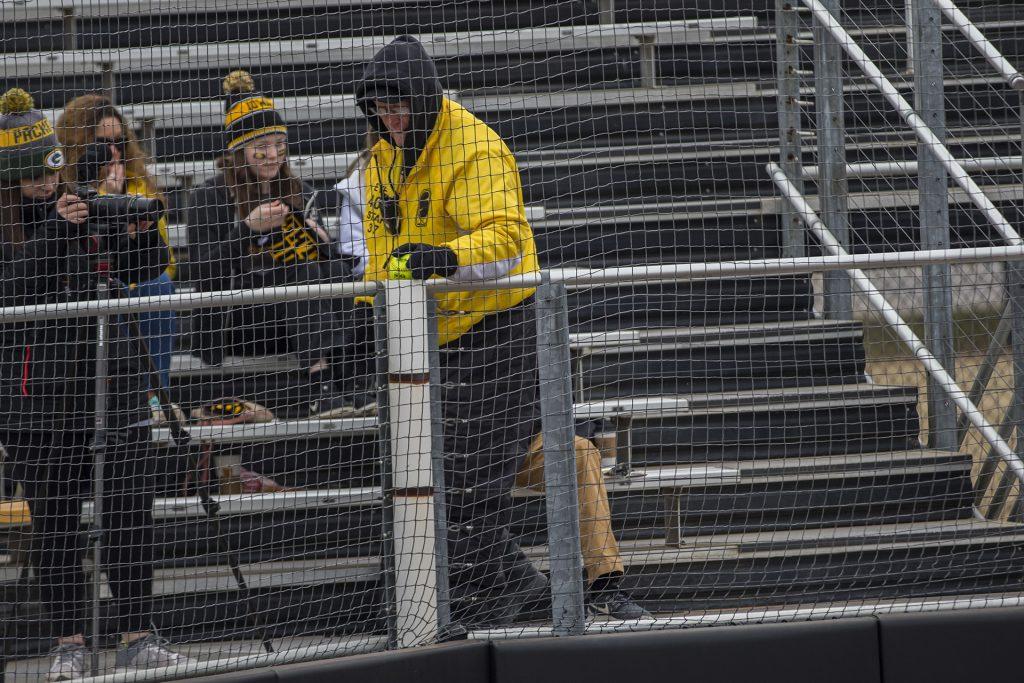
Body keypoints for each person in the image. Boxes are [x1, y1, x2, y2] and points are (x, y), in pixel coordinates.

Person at [351, 35, 648, 625]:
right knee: (433, 472)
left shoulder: (475, 147)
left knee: (472, 479)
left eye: (399, 107)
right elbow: (383, 254)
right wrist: (370, 309)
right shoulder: (381, 160)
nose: (390, 119)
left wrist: (442, 258)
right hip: (428, 337)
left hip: (499, 331)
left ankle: (561, 587)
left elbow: (507, 243)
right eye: (379, 109)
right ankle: (491, 595)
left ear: (424, 99)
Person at [0, 88, 190, 680]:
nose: (46, 186)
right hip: (39, 404)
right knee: (57, 524)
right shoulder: (18, 224)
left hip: (115, 386)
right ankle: (68, 643)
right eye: (32, 177)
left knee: (131, 514)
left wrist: (130, 223)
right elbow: (17, 291)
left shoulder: (80, 202)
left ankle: (139, 634)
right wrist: (60, 228)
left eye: (50, 174)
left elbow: (145, 270)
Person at [187, 70, 365, 419]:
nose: (273, 156)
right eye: (261, 148)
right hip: (239, 319)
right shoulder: (208, 196)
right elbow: (202, 274)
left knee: (328, 266)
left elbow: (333, 264)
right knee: (298, 267)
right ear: (239, 152)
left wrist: (322, 240)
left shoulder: (300, 191)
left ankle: (350, 384)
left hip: (299, 320)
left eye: (280, 146)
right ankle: (323, 388)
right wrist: (247, 229)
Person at [55, 94, 181, 426]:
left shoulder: (139, 185)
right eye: (102, 143)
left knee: (158, 287)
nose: (114, 153)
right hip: (74, 286)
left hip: (127, 280)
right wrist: (103, 199)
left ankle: (154, 397)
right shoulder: (61, 188)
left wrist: (128, 213)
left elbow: (162, 261)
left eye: (119, 143)